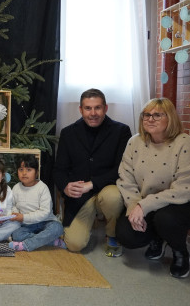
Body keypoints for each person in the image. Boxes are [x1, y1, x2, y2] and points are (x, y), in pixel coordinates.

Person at [116, 98, 190, 278]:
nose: (150, 119)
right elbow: (126, 179)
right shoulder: (134, 142)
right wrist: (134, 206)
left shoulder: (185, 142)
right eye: (146, 115)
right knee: (127, 235)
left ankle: (181, 253)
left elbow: (185, 188)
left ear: (169, 118)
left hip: (189, 201)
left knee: (166, 218)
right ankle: (158, 238)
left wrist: (144, 206)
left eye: (157, 115)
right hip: (149, 202)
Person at [53, 88, 131, 256]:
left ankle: (112, 234)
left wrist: (93, 184)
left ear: (106, 108)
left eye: (98, 108)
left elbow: (122, 169)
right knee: (74, 244)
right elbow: (59, 169)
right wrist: (65, 187)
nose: (93, 113)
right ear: (81, 109)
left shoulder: (121, 131)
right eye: (88, 108)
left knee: (113, 197)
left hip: (108, 188)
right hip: (80, 197)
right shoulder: (68, 133)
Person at [9, 155, 65, 251]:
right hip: (26, 224)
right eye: (21, 169)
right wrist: (15, 213)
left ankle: (26, 245)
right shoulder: (16, 188)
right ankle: (51, 241)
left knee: (57, 228)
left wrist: (24, 217)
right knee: (16, 235)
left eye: (29, 170)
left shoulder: (42, 188)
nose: (24, 173)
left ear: (36, 172)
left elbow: (45, 212)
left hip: (45, 222)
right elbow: (13, 205)